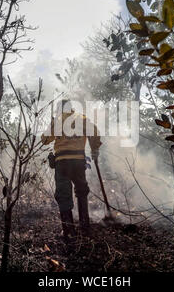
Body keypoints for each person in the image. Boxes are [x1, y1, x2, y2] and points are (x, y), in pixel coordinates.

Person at [41, 100, 101, 242]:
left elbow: (44, 140)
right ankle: (85, 226)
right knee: (81, 191)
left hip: (62, 162)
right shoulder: (82, 118)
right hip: (79, 161)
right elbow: (95, 133)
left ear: (59, 109)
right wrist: (95, 149)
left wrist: (52, 124)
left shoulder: (57, 121)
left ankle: (68, 230)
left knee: (64, 194)